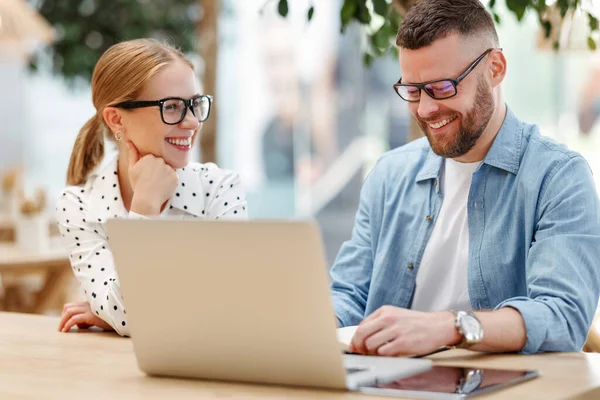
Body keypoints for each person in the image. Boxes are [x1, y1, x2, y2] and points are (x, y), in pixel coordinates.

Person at [330, 0, 600, 356]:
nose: (425, 110)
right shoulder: (388, 175)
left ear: (496, 68)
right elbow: (349, 294)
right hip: (385, 384)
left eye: (442, 88)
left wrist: (450, 327)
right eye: (412, 91)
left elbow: (562, 317)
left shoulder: (558, 177)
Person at [55, 39, 248, 336]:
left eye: (194, 104)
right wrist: (144, 207)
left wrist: (109, 312)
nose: (193, 122)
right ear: (116, 118)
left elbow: (233, 312)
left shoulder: (220, 189)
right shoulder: (78, 205)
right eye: (171, 107)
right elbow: (127, 315)